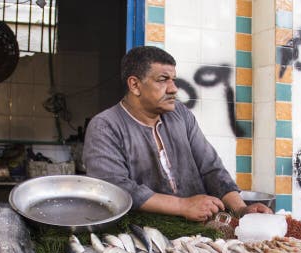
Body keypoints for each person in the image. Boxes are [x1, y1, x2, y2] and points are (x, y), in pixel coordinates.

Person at [83, 46, 272, 222]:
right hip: (144, 231)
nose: (173, 88)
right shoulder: (105, 126)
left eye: (173, 79)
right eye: (162, 79)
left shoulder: (180, 114)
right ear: (135, 85)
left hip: (199, 227)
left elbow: (211, 167)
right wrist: (182, 205)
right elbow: (114, 189)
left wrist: (241, 210)